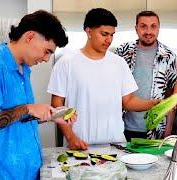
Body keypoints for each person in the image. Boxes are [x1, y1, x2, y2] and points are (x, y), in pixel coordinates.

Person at [47, 8, 159, 150]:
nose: (109, 40)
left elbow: (129, 102)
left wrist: (154, 104)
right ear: (88, 32)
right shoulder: (66, 62)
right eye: (104, 34)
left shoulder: (119, 63)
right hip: (80, 145)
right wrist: (70, 137)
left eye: (112, 35)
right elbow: (57, 105)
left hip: (116, 144)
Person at [0, 10, 69, 179]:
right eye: (47, 51)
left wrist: (52, 116)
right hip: (4, 174)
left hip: (31, 170)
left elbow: (18, 120)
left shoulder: (25, 70)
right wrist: (28, 108)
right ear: (30, 37)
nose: (46, 59)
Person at [115, 11, 177, 141]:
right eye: (143, 26)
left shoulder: (169, 56)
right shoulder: (122, 51)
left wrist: (168, 129)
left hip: (156, 129)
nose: (148, 31)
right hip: (122, 127)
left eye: (153, 26)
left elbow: (171, 96)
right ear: (136, 28)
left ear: (159, 28)